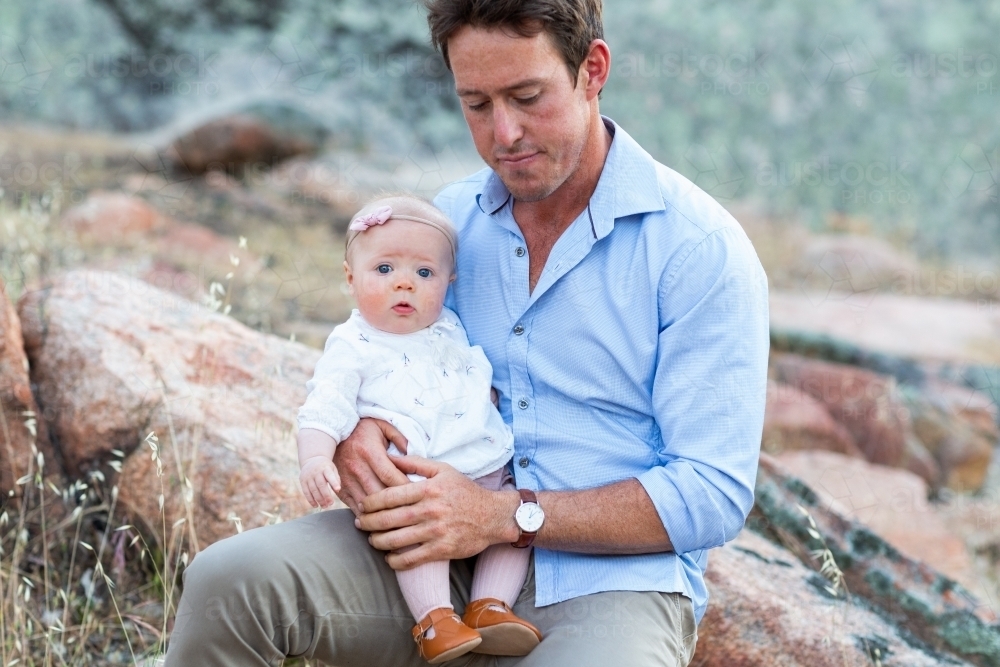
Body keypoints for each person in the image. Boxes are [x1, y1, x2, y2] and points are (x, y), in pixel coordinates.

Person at [164, 0, 769, 665]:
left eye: (526, 96)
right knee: (228, 584)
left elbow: (712, 492)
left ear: (592, 70)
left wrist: (503, 515)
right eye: (476, 104)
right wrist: (360, 434)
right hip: (434, 561)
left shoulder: (699, 249)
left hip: (611, 585)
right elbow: (380, 348)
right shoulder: (445, 225)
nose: (503, 132)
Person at [296, 193, 541, 663]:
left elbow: (464, 372)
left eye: (424, 273)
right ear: (350, 277)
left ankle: (491, 606)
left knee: (513, 521)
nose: (404, 284)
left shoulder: (447, 324)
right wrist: (315, 456)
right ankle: (434, 620)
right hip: (418, 475)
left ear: (449, 283)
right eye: (384, 270)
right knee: (420, 531)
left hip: (482, 457)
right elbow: (325, 404)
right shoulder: (355, 343)